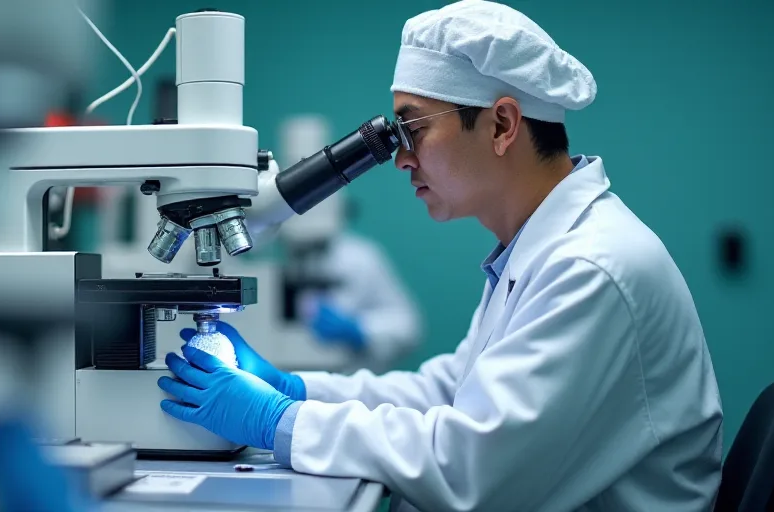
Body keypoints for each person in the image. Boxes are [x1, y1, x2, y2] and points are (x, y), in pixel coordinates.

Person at [157, 1, 724, 510]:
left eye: (411, 127)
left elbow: (472, 471)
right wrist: (296, 387)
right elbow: (450, 391)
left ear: (502, 124)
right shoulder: (536, 251)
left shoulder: (590, 268)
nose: (401, 158)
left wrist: (277, 421)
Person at [277, 189, 422, 373]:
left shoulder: (361, 258)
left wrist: (362, 331)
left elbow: (408, 326)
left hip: (349, 379)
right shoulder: (270, 256)